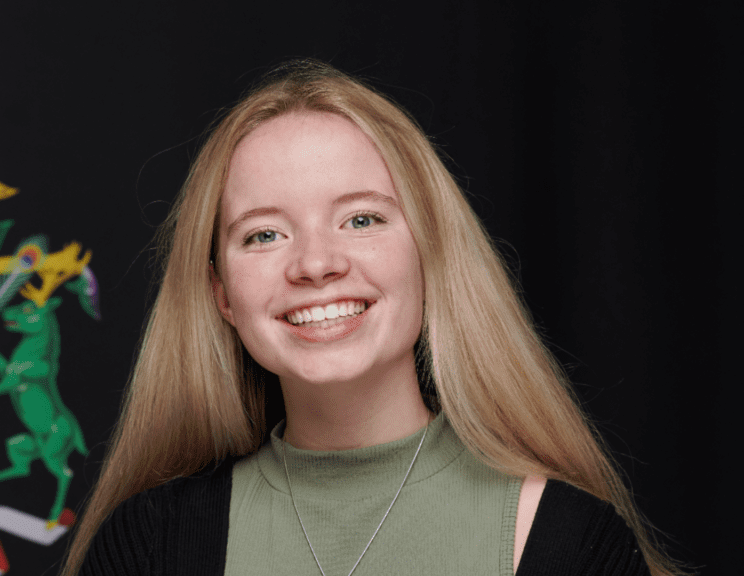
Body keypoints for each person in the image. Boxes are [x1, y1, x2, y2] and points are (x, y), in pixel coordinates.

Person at [61, 60, 683, 575]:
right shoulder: (149, 546)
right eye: (265, 234)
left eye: (362, 219)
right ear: (222, 293)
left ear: (430, 256)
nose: (315, 263)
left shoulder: (571, 542)